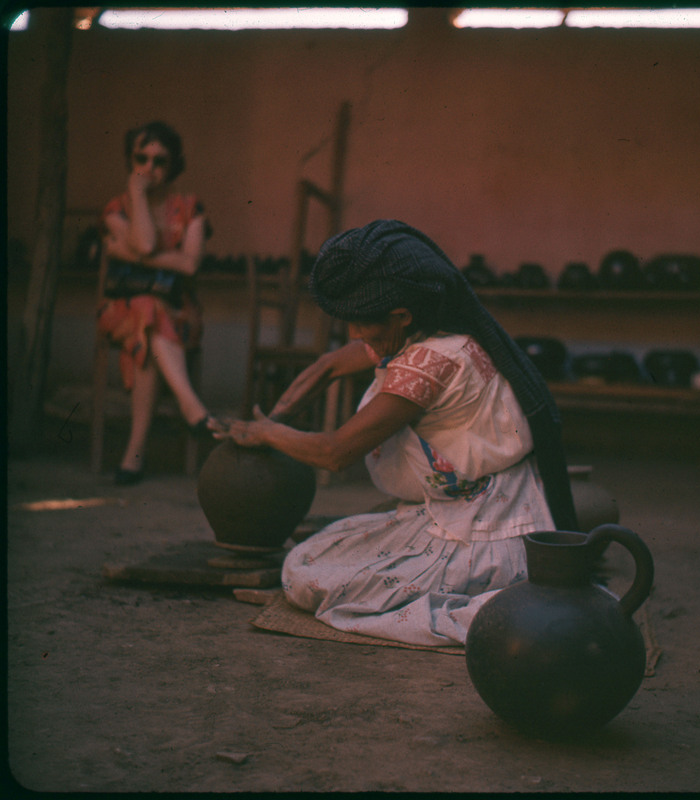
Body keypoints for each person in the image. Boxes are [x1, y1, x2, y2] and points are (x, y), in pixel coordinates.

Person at [210, 219, 577, 646]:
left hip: (484, 535)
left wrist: (267, 435)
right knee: (322, 547)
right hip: (472, 511)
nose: (353, 334)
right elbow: (327, 366)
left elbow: (335, 452)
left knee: (303, 575)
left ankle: (496, 606)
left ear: (400, 315)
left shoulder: (427, 366)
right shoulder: (431, 332)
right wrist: (274, 416)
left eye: (360, 323)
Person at [97, 121, 215, 485]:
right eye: (141, 159)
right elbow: (150, 245)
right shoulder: (117, 208)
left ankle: (134, 456)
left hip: (178, 310)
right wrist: (136, 191)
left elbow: (189, 263)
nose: (150, 169)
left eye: (159, 161)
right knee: (146, 309)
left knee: (147, 322)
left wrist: (127, 254)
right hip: (121, 311)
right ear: (130, 160)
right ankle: (189, 404)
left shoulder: (191, 208)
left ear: (173, 163)